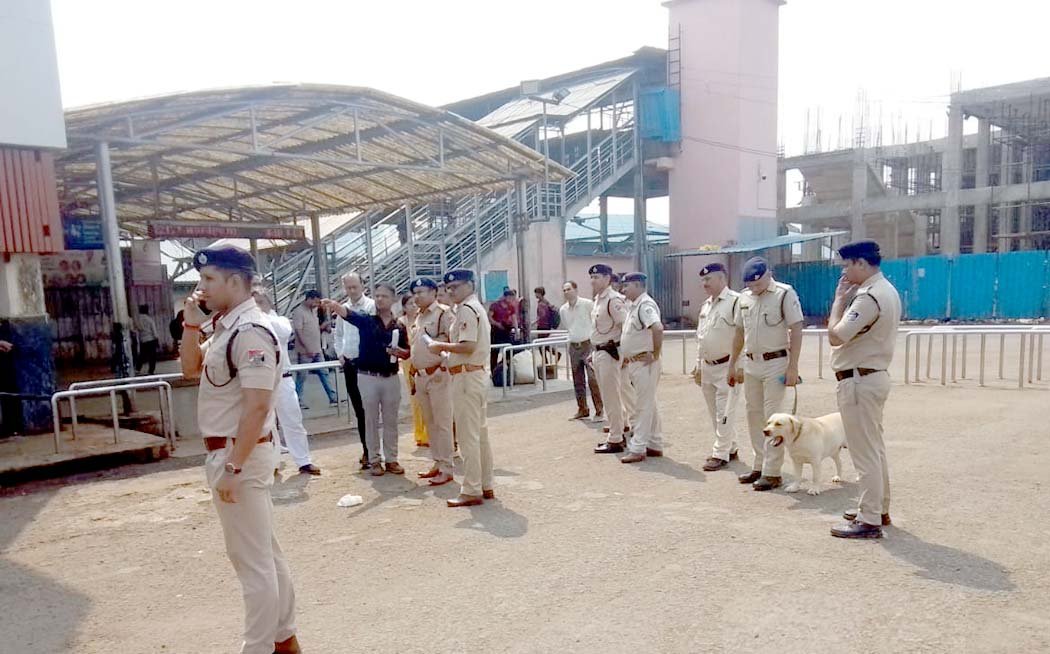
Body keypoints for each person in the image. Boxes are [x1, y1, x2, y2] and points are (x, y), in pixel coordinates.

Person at [178, 245, 301, 654]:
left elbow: (259, 405)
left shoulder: (250, 332)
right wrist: (191, 328)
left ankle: (259, 646)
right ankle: (284, 638)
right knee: (264, 553)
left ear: (235, 281)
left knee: (252, 564)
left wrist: (233, 466)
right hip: (235, 453)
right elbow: (190, 369)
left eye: (209, 280)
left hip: (239, 454)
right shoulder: (225, 327)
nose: (201, 289)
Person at [827, 240, 901, 539]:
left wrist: (837, 302)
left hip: (859, 380)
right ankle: (877, 507)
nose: (845, 272)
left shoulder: (869, 296)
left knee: (864, 451)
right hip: (871, 376)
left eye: (847, 265)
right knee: (874, 448)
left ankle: (869, 518)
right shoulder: (886, 290)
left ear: (860, 263)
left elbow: (837, 335)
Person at [728, 256, 804, 491]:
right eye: (751, 285)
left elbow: (797, 329)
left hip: (776, 362)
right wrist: (733, 363)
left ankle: (772, 472)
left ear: (768, 275)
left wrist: (793, 367)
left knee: (775, 418)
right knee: (754, 415)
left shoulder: (784, 293)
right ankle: (759, 465)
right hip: (752, 363)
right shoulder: (744, 297)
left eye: (758, 284)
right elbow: (740, 333)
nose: (755, 289)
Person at [322, 283, 408, 476]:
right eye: (377, 296)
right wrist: (334, 305)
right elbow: (348, 314)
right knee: (370, 420)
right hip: (368, 377)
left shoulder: (399, 326)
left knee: (391, 421)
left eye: (384, 296)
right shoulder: (367, 321)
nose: (379, 299)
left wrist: (399, 352)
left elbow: (407, 351)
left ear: (393, 299)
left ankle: (392, 459)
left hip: (391, 377)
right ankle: (374, 459)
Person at [428, 269, 494, 507]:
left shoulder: (467, 308)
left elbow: (467, 345)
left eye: (455, 287)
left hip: (467, 376)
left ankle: (472, 489)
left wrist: (439, 346)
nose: (451, 291)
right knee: (480, 435)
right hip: (473, 373)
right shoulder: (473, 307)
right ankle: (485, 484)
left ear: (469, 285)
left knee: (468, 436)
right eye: (449, 288)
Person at [254, 290, 321, 476]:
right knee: (264, 426)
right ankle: (272, 462)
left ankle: (303, 460)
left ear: (268, 302)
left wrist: (261, 313)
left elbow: (283, 333)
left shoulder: (280, 321)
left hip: (282, 378)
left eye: (259, 301)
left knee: (293, 420)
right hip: (259, 381)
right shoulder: (248, 324)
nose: (255, 304)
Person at [694, 263, 742, 472]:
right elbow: (701, 337)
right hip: (708, 367)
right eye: (703, 280)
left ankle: (720, 453)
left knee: (725, 410)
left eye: (708, 279)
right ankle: (730, 446)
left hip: (726, 365)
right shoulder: (706, 305)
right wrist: (698, 365)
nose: (704, 284)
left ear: (722, 279)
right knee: (714, 411)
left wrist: (738, 366)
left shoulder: (735, 302)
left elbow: (743, 336)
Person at [408, 277, 456, 486]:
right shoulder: (418, 316)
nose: (417, 296)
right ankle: (437, 462)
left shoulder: (443, 313)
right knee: (430, 423)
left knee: (443, 422)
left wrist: (443, 366)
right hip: (421, 376)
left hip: (438, 374)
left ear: (434, 292)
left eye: (422, 292)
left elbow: (451, 341)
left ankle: (447, 466)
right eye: (415, 293)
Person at [618, 273, 665, 464]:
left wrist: (655, 353)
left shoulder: (645, 305)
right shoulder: (634, 305)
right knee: (649, 403)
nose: (624, 289)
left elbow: (658, 328)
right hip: (635, 361)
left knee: (642, 405)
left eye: (627, 286)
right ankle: (655, 443)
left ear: (637, 285)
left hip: (645, 363)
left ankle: (638, 447)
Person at [332, 272, 375, 468]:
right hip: (349, 363)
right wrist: (340, 354)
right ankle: (366, 450)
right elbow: (338, 334)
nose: (351, 291)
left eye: (354, 287)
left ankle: (376, 451)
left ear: (362, 286)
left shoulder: (371, 306)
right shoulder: (343, 309)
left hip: (367, 363)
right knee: (359, 410)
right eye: (347, 287)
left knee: (371, 409)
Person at [590, 264, 631, 454]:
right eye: (592, 277)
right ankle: (619, 427)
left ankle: (616, 438)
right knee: (608, 395)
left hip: (610, 351)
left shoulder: (613, 300)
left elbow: (626, 326)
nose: (593, 280)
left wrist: (625, 353)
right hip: (599, 351)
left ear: (608, 279)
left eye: (597, 277)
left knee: (611, 396)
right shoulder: (598, 300)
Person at [559, 281, 603, 421]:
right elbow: (568, 326)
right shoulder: (563, 310)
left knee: (592, 378)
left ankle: (599, 409)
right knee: (578, 380)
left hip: (588, 344)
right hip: (574, 345)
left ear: (576, 289)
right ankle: (582, 408)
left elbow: (597, 322)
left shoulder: (587, 304)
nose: (567, 292)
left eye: (569, 289)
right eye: (564, 290)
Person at [291, 290, 338, 409]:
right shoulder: (298, 312)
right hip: (305, 350)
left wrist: (323, 327)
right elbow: (299, 331)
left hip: (317, 348)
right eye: (315, 302)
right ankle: (298, 400)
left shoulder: (313, 311)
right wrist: (307, 347)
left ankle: (333, 397)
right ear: (309, 299)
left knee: (324, 373)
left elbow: (313, 328)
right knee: (302, 376)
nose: (317, 305)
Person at [397, 294, 428, 447]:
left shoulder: (422, 320)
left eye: (415, 303)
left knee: (427, 398)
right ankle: (419, 433)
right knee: (415, 399)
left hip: (423, 360)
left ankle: (429, 432)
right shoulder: (400, 323)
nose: (413, 306)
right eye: (410, 304)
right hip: (408, 362)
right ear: (404, 307)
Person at [488, 288, 519, 370]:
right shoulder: (495, 305)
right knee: (495, 351)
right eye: (510, 298)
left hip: (506, 330)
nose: (511, 300)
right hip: (496, 330)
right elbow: (490, 317)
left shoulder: (510, 307)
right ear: (505, 297)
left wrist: (516, 330)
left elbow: (514, 318)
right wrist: (497, 324)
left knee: (508, 349)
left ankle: (504, 367)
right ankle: (493, 369)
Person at [135, 304, 159, 375]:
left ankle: (137, 369)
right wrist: (156, 339)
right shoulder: (149, 320)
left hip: (143, 340)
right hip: (151, 339)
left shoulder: (138, 320)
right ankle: (151, 371)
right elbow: (154, 331)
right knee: (152, 356)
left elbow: (136, 329)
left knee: (142, 355)